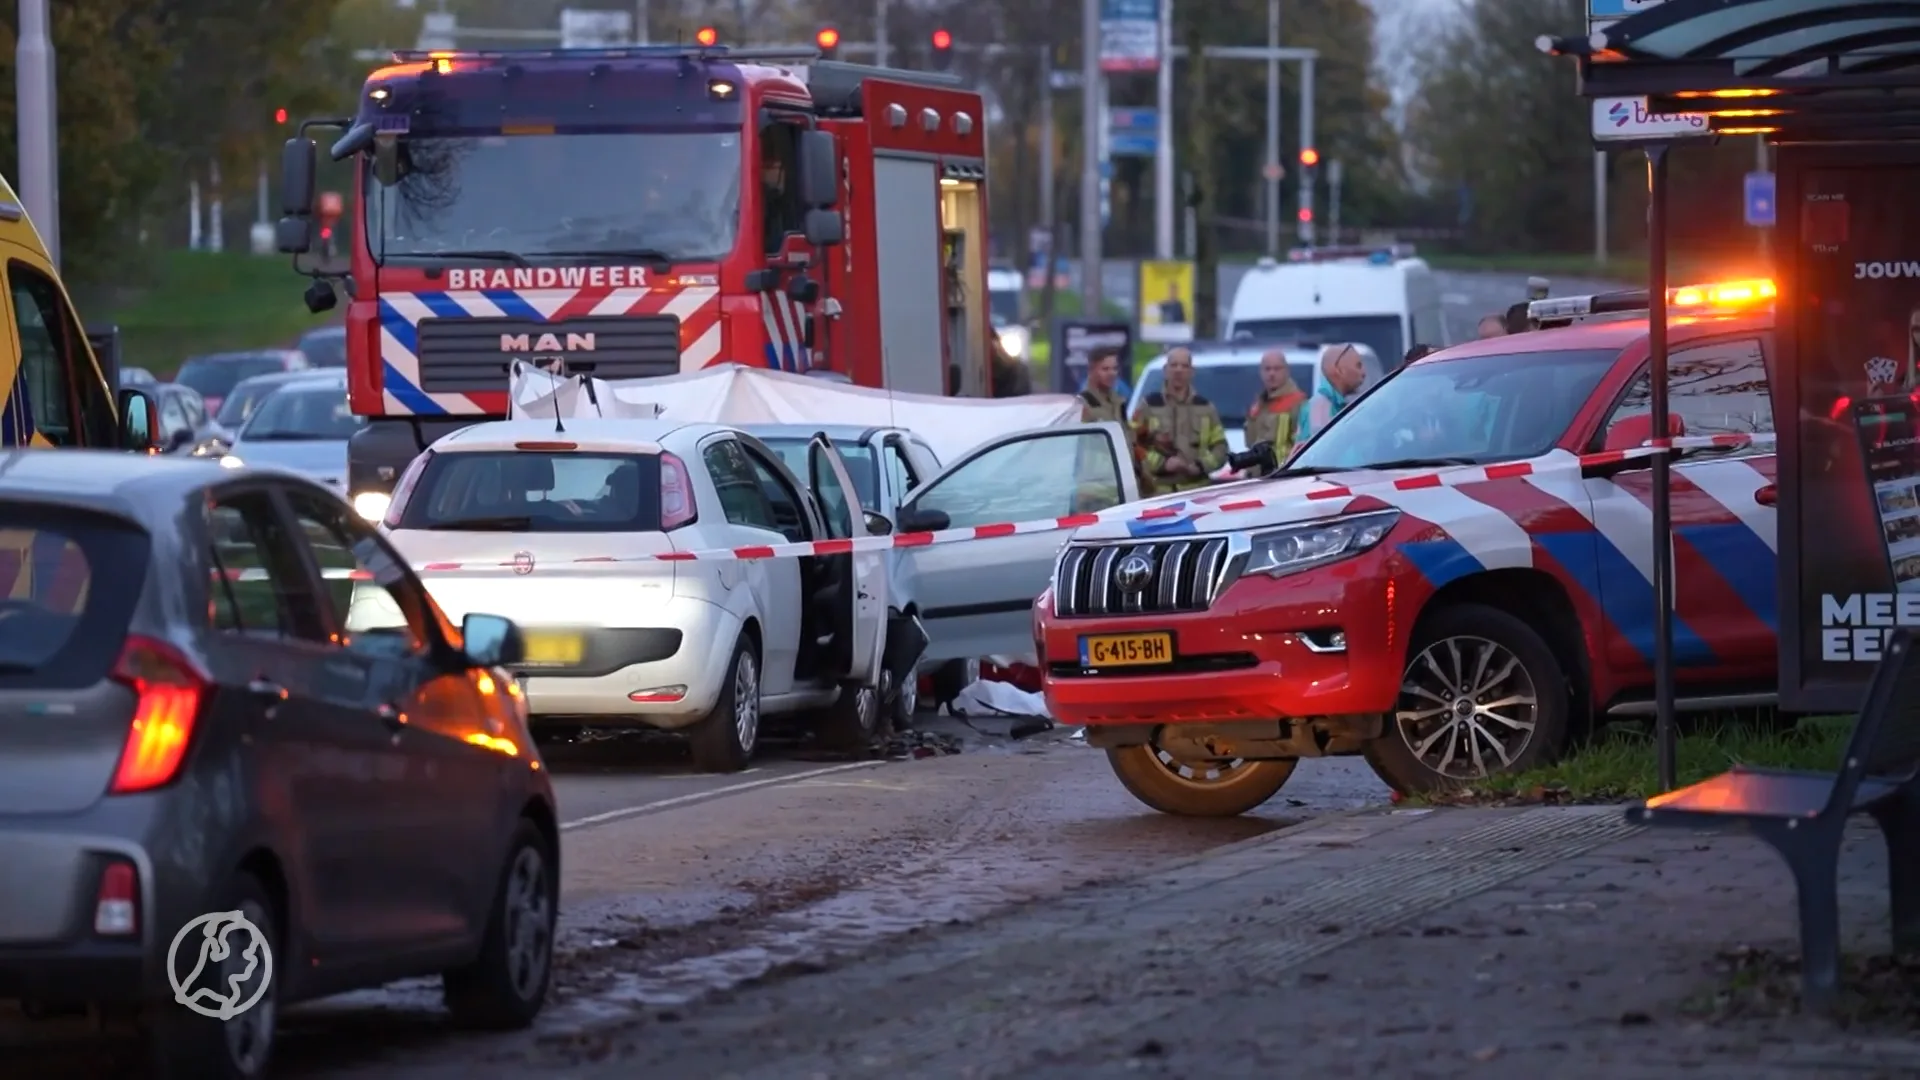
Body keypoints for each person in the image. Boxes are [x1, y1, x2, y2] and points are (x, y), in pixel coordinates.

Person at [1133, 347, 1228, 493]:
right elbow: (1133, 445)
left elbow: (1220, 448)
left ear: (1192, 372)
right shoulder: (1148, 405)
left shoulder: (1205, 408)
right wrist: (1162, 464)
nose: (1179, 370)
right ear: (1165, 370)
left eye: (1184, 366)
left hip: (1197, 493)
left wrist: (1200, 466)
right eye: (1174, 365)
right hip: (1157, 494)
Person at [1080, 349, 1152, 493]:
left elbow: (1130, 443)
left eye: (1114, 368)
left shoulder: (1119, 403)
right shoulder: (1082, 405)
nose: (1112, 373)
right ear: (1092, 370)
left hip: (1125, 484)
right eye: (1105, 369)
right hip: (1096, 489)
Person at [1244, 349, 1309, 463]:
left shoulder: (1298, 402)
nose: (1272, 373)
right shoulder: (1258, 405)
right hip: (1259, 475)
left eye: (1277, 368)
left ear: (1287, 371)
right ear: (1261, 372)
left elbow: (1302, 445)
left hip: (1283, 474)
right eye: (1267, 369)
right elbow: (1250, 443)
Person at [1299, 343, 1366, 442]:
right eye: (1358, 366)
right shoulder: (1319, 408)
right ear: (1339, 370)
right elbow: (1323, 451)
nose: (1364, 373)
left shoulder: (1335, 405)